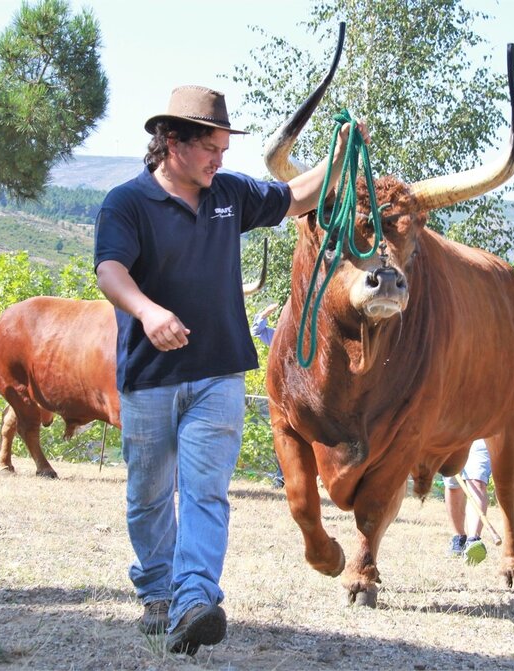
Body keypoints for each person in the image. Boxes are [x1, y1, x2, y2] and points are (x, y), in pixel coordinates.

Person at [94, 85, 365, 654]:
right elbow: (110, 272)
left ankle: (194, 597)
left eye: (223, 148)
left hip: (219, 372)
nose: (220, 160)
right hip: (148, 377)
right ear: (171, 142)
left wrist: (339, 155)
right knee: (148, 493)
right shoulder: (127, 203)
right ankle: (156, 593)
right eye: (210, 149)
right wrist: (146, 311)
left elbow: (293, 198)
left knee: (205, 491)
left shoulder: (229, 194)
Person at [249, 302, 284, 487]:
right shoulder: (277, 336)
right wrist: (265, 313)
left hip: (307, 397)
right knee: (282, 436)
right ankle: (280, 478)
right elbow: (256, 330)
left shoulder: (310, 338)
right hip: (283, 396)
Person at [444, 439, 492, 565]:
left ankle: (473, 540)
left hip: (483, 434)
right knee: (452, 486)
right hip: (453, 434)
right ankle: (459, 538)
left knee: (477, 482)